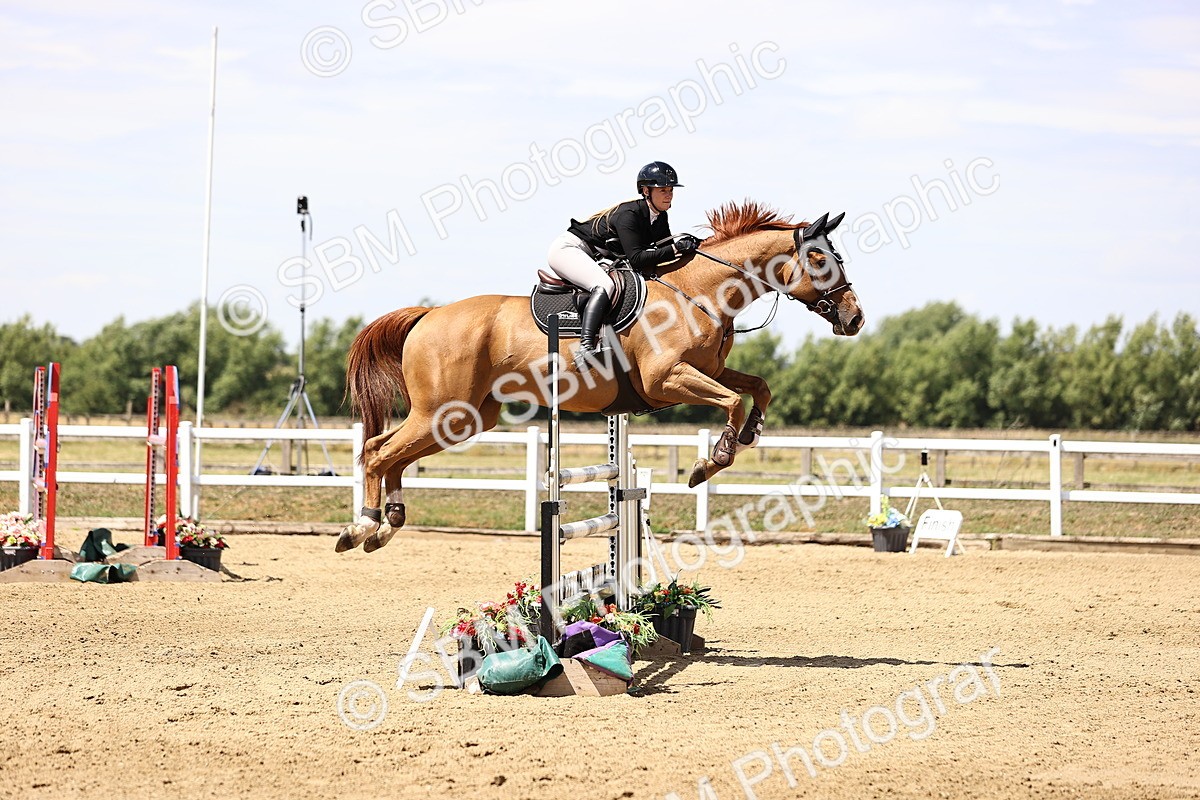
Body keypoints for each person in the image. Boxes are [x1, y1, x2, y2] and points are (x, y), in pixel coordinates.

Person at [546, 161, 702, 359]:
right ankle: (585, 347)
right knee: (604, 285)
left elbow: (663, 251)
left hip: (594, 255)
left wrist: (691, 246)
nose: (669, 194)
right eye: (663, 189)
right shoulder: (629, 214)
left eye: (671, 189)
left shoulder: (660, 217)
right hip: (569, 249)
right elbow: (637, 259)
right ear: (646, 191)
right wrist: (674, 248)